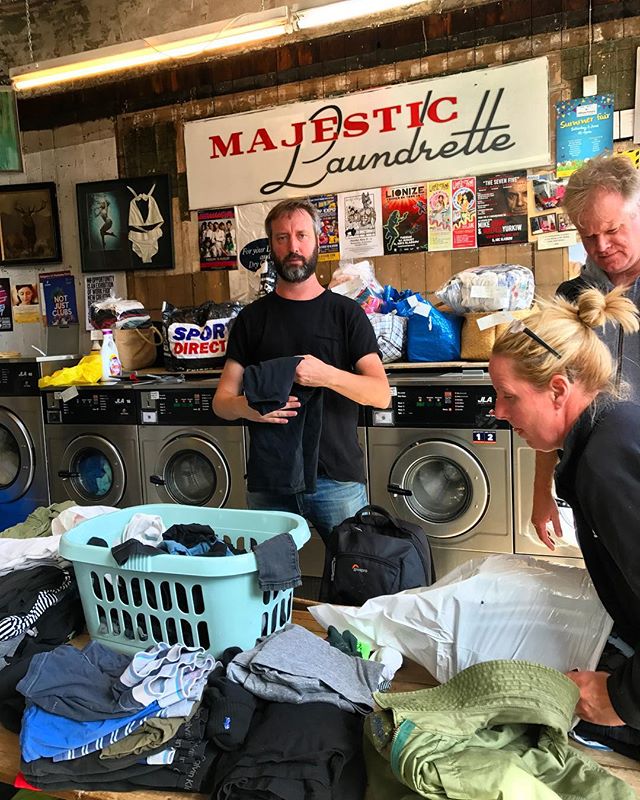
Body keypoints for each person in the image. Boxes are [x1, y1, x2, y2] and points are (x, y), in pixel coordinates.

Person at [489, 287, 640, 752]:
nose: (498, 412)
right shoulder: (613, 426)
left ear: (558, 389)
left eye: (508, 397)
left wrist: (620, 697)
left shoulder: (605, 463)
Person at [213, 197, 390, 541]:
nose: (292, 246)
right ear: (272, 247)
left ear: (316, 241)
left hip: (336, 479)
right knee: (267, 585)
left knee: (355, 579)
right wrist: (249, 409)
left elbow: (380, 394)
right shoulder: (251, 320)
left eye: (301, 235)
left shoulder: (347, 314)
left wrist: (326, 375)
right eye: (282, 238)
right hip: (270, 480)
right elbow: (222, 400)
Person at [531, 156, 640, 550]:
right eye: (587, 235)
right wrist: (542, 487)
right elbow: (550, 402)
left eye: (612, 230)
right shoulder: (570, 297)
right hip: (590, 486)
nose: (601, 246)